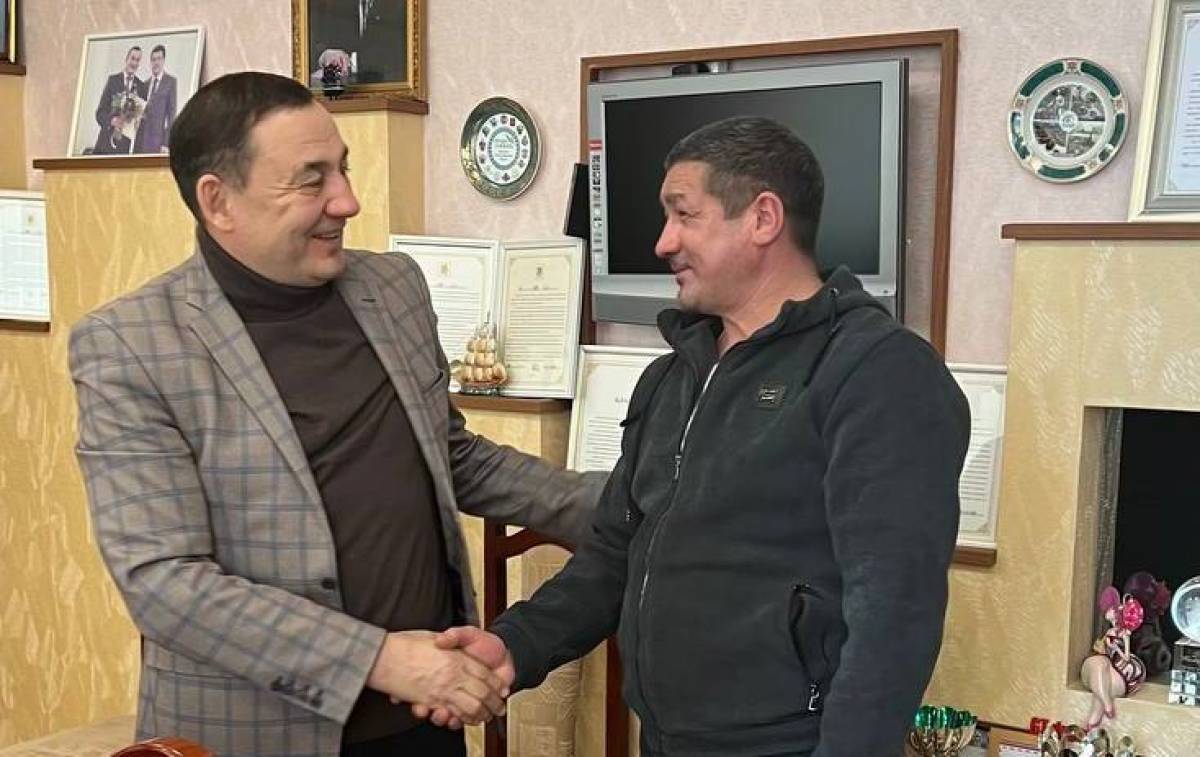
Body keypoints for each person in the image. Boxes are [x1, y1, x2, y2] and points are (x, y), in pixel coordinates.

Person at [69, 71, 603, 757]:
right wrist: (382, 658)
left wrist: (622, 506)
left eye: (343, 168)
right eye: (311, 179)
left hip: (422, 724)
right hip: (254, 736)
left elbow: (448, 454)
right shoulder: (131, 345)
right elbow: (166, 582)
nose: (347, 200)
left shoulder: (393, 286)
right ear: (218, 201)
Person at [427, 116, 971, 756]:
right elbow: (612, 556)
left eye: (684, 214)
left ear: (763, 218)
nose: (664, 242)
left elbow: (893, 615)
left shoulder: (878, 371)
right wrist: (514, 645)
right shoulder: (670, 376)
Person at [308, 0, 408, 86]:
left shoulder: (404, 6)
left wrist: (350, 63)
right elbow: (315, 45)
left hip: (385, 89)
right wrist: (324, 55)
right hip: (342, 90)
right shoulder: (335, 5)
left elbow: (396, 60)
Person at [92, 45, 147, 155]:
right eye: (132, 58)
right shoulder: (113, 81)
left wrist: (138, 123)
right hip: (104, 146)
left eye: (137, 60)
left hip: (124, 149)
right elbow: (100, 113)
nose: (134, 63)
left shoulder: (142, 87)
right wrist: (112, 121)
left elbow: (142, 122)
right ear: (126, 59)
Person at [133, 44, 177, 153]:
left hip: (157, 143)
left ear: (163, 60)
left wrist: (166, 143)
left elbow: (172, 116)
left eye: (159, 59)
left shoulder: (170, 82)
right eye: (153, 60)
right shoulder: (144, 85)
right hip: (140, 143)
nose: (156, 62)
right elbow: (138, 115)